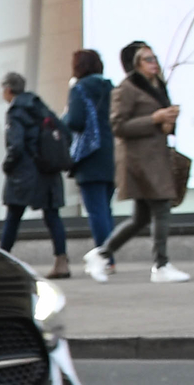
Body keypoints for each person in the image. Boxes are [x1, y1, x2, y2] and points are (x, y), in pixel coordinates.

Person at [86, 40, 189, 284]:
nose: (154, 64)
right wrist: (154, 118)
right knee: (162, 206)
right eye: (148, 59)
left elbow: (160, 123)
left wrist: (168, 120)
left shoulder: (157, 86)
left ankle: (101, 253)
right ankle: (161, 264)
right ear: (137, 64)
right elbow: (118, 126)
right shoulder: (127, 88)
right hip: (140, 160)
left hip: (156, 156)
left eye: (155, 58)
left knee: (141, 218)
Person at [0, 72, 70, 276]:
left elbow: (16, 145)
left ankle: (2, 260)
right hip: (48, 171)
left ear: (8, 90)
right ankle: (61, 261)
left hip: (25, 172)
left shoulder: (15, 111)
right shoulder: (40, 106)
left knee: (13, 216)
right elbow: (65, 132)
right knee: (52, 215)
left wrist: (8, 166)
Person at [64, 50, 116, 268]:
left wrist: (64, 116)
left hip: (89, 155)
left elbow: (75, 121)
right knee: (105, 209)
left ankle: (105, 259)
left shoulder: (79, 88)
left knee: (96, 211)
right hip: (111, 152)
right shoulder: (111, 87)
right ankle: (110, 257)